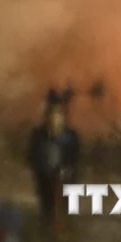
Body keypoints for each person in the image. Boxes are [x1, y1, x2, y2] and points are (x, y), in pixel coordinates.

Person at [27, 89, 80, 234]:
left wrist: (65, 173)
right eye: (53, 114)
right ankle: (47, 233)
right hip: (45, 177)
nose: (56, 118)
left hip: (65, 178)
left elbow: (74, 159)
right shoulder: (39, 135)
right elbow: (32, 156)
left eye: (59, 114)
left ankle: (67, 232)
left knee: (66, 208)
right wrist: (43, 171)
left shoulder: (71, 136)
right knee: (47, 208)